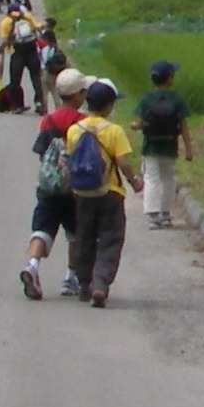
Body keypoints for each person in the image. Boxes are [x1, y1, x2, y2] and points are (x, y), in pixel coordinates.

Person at [62, 79, 142, 308]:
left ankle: (84, 284)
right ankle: (100, 284)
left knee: (85, 238)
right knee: (111, 238)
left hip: (83, 193)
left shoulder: (74, 130)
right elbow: (123, 163)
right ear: (108, 106)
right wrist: (134, 182)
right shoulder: (114, 131)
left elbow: (70, 161)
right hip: (110, 193)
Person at [21, 69, 91, 299]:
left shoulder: (48, 121)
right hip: (75, 189)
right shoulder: (83, 122)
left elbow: (42, 154)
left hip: (49, 187)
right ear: (78, 96)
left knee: (41, 229)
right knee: (75, 234)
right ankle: (70, 278)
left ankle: (32, 265)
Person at [133, 61, 193, 229]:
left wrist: (135, 126)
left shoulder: (146, 99)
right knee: (168, 179)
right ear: (169, 79)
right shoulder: (177, 100)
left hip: (150, 146)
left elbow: (140, 123)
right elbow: (183, 126)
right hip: (169, 144)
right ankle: (165, 214)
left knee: (151, 178)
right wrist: (188, 148)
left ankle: (153, 216)